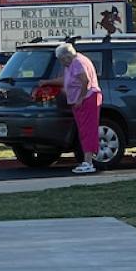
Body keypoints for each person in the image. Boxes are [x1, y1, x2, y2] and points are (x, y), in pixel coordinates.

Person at [41, 41, 103, 174]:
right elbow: (67, 79)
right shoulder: (72, 63)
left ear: (66, 57)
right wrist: (48, 82)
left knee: (88, 130)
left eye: (61, 60)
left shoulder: (78, 62)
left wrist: (81, 98)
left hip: (87, 98)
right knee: (83, 130)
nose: (61, 63)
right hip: (79, 100)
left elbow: (85, 80)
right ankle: (87, 160)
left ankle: (89, 162)